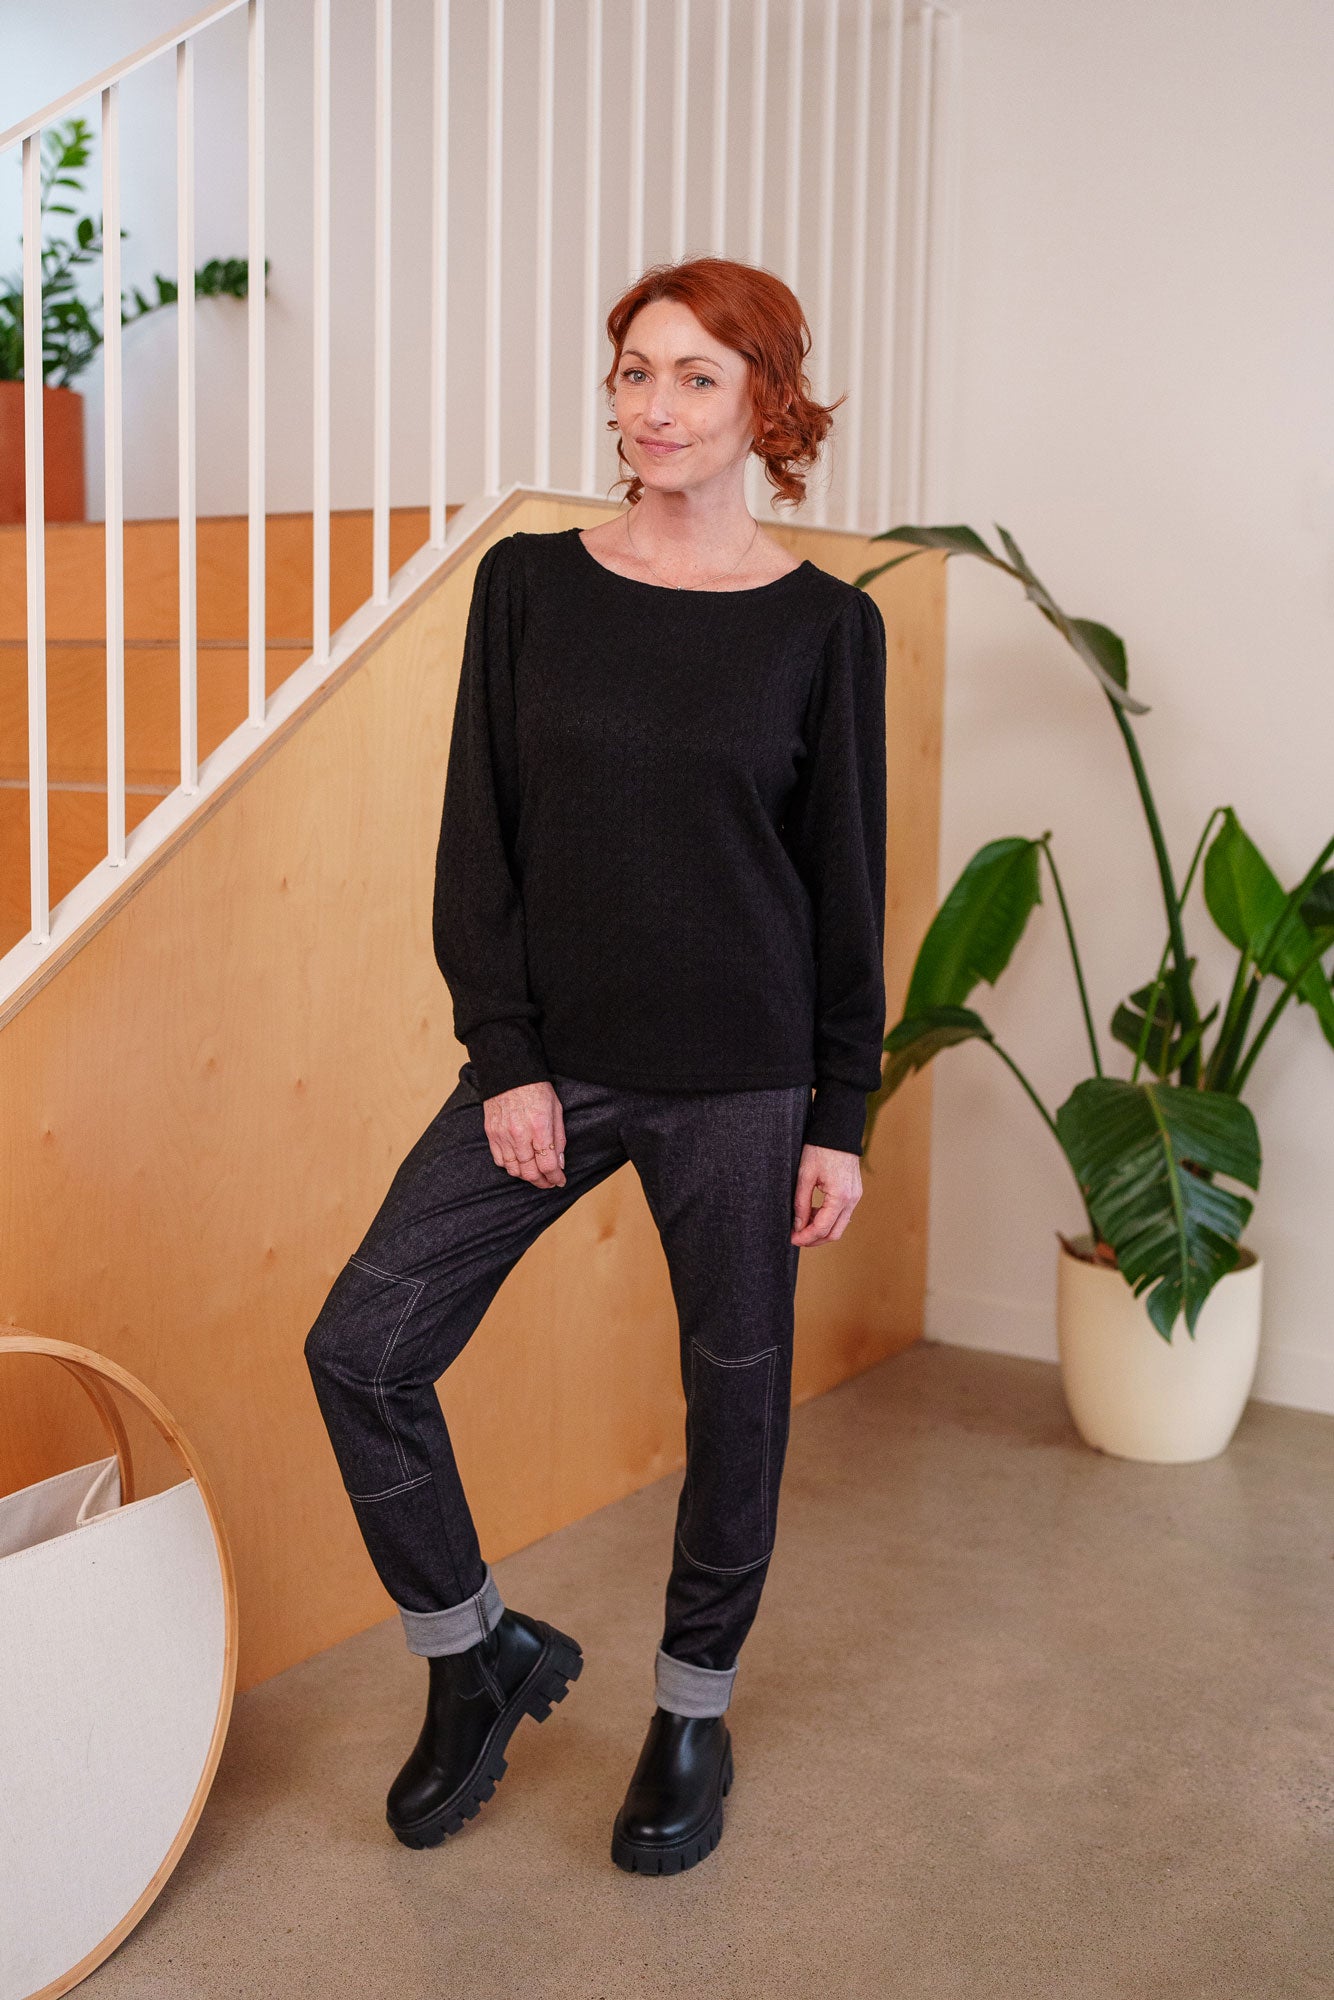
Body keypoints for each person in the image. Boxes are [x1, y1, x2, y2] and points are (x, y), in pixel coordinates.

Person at [303, 254, 888, 1876]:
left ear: (767, 405)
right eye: (636, 371)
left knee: (735, 1404)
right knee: (364, 1346)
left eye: (698, 377)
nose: (655, 405)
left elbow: (844, 883)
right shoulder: (528, 587)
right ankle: (475, 1653)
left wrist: (837, 1115)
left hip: (746, 1079)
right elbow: (474, 842)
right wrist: (507, 1056)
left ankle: (690, 1712)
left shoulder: (826, 629)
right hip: (555, 1063)